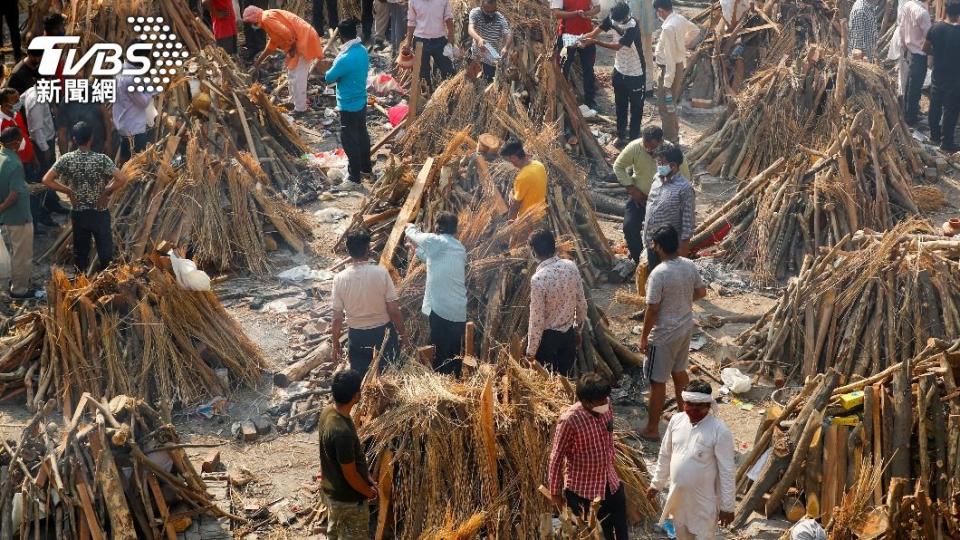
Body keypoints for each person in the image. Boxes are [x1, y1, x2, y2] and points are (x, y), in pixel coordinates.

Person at [639, 225, 706, 440]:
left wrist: (643, 336)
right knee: (679, 373)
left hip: (664, 335)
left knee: (657, 382)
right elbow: (701, 292)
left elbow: (652, 309)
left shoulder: (659, 273)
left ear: (659, 247)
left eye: (654, 244)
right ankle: (687, 419)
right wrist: (683, 302)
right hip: (685, 328)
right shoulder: (688, 265)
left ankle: (651, 429)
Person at [647, 380, 735, 540]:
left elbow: (727, 471)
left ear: (708, 405)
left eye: (699, 405)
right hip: (679, 500)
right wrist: (656, 483)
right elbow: (665, 454)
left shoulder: (719, 430)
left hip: (703, 503)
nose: (693, 409)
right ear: (684, 402)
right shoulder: (676, 421)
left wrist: (727, 507)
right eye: (689, 404)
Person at [548, 373, 629, 539]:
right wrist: (555, 494)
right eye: (601, 401)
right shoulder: (569, 421)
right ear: (586, 402)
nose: (606, 403)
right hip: (583, 491)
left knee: (620, 529)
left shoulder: (606, 406)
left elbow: (608, 435)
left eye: (606, 399)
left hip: (609, 482)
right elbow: (556, 458)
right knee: (591, 534)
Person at [42, 121, 129, 273]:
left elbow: (46, 180)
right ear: (91, 138)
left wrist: (68, 191)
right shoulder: (101, 159)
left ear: (74, 139)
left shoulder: (66, 159)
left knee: (80, 253)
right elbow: (121, 178)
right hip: (99, 213)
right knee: (105, 252)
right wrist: (106, 191)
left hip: (79, 214)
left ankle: (80, 283)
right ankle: (106, 283)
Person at [330, 230, 407, 376]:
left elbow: (337, 318)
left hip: (357, 337)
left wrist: (335, 343)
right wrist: (403, 334)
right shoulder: (381, 273)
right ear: (368, 250)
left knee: (361, 378)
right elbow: (393, 310)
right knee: (389, 377)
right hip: (383, 334)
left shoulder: (339, 278)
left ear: (348, 252)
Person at [614, 126, 691, 263]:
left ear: (661, 141)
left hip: (665, 203)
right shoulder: (635, 147)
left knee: (664, 236)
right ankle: (640, 261)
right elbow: (618, 166)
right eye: (646, 147)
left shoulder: (671, 153)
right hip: (640, 197)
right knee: (629, 227)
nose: (649, 151)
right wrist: (632, 189)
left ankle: (664, 261)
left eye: (653, 148)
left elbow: (684, 180)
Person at [404, 212, 468, 376]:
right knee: (454, 351)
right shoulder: (458, 247)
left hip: (441, 309)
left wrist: (409, 227)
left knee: (439, 349)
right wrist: (415, 250)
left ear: (438, 227)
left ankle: (441, 382)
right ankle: (455, 380)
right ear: (455, 230)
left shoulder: (437, 241)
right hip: (459, 310)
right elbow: (434, 259)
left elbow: (415, 235)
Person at [318, 369, 378, 539]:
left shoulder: (328, 412)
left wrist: (367, 477)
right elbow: (350, 475)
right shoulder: (341, 433)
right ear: (355, 395)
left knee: (335, 534)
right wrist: (369, 492)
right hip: (348, 500)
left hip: (332, 491)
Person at [581, 2, 646, 146]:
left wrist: (595, 42)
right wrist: (582, 39)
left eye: (618, 22)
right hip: (619, 70)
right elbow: (594, 32)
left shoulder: (632, 26)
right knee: (620, 105)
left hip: (635, 73)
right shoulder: (612, 18)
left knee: (636, 109)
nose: (614, 24)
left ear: (626, 17)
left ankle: (634, 139)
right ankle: (621, 135)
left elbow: (617, 46)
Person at [526, 229, 588, 376]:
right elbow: (581, 303)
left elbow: (537, 320)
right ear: (553, 247)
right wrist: (578, 330)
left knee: (549, 387)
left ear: (534, 252)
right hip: (568, 336)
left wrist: (531, 351)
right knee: (566, 380)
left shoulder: (538, 279)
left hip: (548, 342)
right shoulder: (571, 266)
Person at [245, 6, 324, 115]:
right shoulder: (266, 19)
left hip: (303, 39)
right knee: (292, 73)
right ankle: (292, 102)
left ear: (254, 17)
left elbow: (286, 32)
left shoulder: (266, 17)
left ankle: (300, 109)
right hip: (298, 40)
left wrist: (292, 47)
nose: (251, 25)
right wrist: (259, 61)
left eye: (250, 22)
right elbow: (272, 44)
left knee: (299, 76)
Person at [324, 21, 372, 186]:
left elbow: (329, 77)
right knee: (362, 134)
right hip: (361, 100)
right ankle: (366, 168)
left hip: (348, 104)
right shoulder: (363, 51)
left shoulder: (344, 58)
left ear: (341, 37)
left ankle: (354, 178)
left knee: (349, 140)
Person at [652, 0, 698, 145]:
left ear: (660, 10)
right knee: (670, 105)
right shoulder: (679, 18)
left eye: (657, 12)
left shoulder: (668, 28)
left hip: (669, 70)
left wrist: (666, 82)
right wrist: (682, 44)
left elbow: (670, 59)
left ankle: (670, 140)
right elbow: (695, 30)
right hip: (677, 67)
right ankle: (674, 134)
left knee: (665, 108)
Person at [642, 144, 695, 270]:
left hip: (669, 250)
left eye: (661, 163)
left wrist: (681, 256)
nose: (658, 166)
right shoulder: (656, 180)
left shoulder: (685, 189)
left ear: (673, 166)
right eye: (658, 162)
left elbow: (687, 225)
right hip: (651, 243)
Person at [0, 127, 35, 298]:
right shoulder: (14, 163)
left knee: (15, 251)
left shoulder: (2, 156)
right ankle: (19, 290)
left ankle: (13, 282)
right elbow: (13, 196)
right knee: (22, 255)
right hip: (19, 217)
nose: (23, 141)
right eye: (21, 138)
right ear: (14, 142)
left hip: (8, 218)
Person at [924, 2, 960, 152]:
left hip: (938, 74)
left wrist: (938, 53)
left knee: (935, 106)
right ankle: (947, 143)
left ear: (945, 11)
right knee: (950, 110)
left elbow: (925, 48)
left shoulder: (935, 28)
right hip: (955, 77)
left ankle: (934, 136)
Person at [552, 0, 600, 111]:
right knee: (564, 69)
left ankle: (590, 101)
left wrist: (586, 14)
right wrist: (575, 13)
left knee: (588, 69)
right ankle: (562, 101)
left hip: (586, 34)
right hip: (567, 34)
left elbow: (597, 8)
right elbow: (556, 13)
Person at [403, 0, 456, 89]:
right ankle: (426, 97)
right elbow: (411, 22)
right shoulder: (413, 1)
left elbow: (449, 18)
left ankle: (448, 95)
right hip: (420, 41)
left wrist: (451, 37)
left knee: (448, 70)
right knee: (423, 73)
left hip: (440, 40)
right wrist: (408, 43)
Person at [896, 0, 932, 125]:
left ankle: (907, 113)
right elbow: (929, 36)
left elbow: (901, 28)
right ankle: (911, 118)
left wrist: (903, 47)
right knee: (915, 88)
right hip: (920, 53)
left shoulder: (907, 5)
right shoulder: (923, 13)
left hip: (910, 50)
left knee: (909, 85)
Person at [114, 63, 156, 163]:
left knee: (125, 160)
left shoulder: (119, 74)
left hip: (124, 125)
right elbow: (143, 103)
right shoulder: (130, 80)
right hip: (134, 129)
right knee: (137, 161)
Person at [500, 140, 548, 221]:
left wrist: (510, 223)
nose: (510, 163)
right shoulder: (539, 165)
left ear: (514, 158)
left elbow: (515, 206)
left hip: (528, 220)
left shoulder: (522, 177)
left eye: (508, 160)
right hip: (541, 214)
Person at [468, 0, 513, 81]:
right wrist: (479, 39)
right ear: (482, 6)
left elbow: (508, 34)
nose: (490, 14)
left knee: (488, 81)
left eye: (492, 11)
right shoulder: (475, 13)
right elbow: (470, 29)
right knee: (472, 78)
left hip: (491, 60)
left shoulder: (500, 19)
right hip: (476, 55)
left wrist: (506, 47)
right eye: (487, 11)